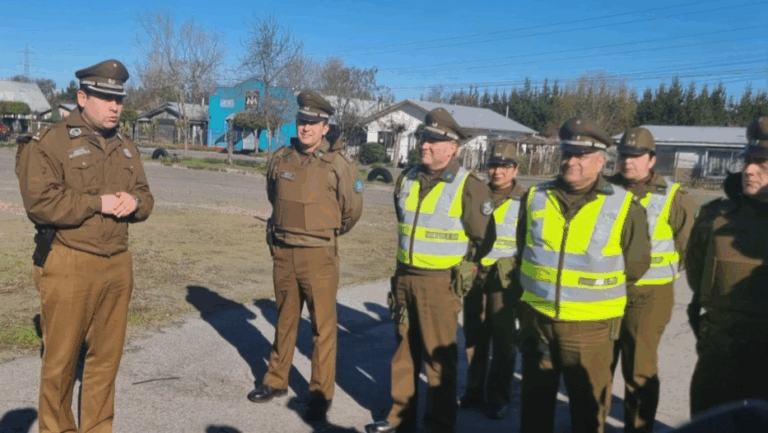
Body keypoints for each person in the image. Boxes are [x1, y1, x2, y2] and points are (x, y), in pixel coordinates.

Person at [15, 59, 154, 433]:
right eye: (105, 98)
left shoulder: (125, 147)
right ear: (82, 97)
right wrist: (100, 202)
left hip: (117, 264)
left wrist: (137, 204)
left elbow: (145, 195)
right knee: (60, 366)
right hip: (69, 260)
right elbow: (41, 203)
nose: (115, 106)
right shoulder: (50, 142)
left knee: (105, 363)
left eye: (118, 99)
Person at [514, 117, 651, 433]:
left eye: (581, 155)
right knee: (534, 408)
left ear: (602, 161)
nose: (571, 161)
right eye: (567, 153)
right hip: (538, 320)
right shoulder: (535, 196)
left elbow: (637, 264)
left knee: (587, 412)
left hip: (590, 329)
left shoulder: (623, 205)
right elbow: (524, 249)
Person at [365, 108, 495, 433]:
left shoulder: (469, 187)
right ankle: (399, 418)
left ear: (453, 148)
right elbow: (404, 224)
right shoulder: (406, 178)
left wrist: (463, 269)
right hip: (405, 277)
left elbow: (486, 238)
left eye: (435, 141)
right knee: (403, 351)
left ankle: (439, 424)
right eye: (424, 138)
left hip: (440, 284)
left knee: (439, 359)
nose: (425, 145)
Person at [247, 90, 364, 422]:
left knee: (323, 327)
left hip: (319, 255)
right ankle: (276, 381)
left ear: (325, 127)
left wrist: (325, 232)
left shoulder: (338, 164)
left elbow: (352, 211)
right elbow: (274, 195)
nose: (306, 127)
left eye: (313, 123)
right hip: (284, 251)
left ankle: (319, 394)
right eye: (302, 121)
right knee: (285, 319)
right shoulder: (281, 158)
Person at [606, 127, 696, 433]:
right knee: (599, 365)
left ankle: (639, 428)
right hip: (604, 292)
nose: (628, 162)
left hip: (649, 296)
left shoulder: (673, 198)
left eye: (636, 156)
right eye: (623, 156)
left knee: (639, 368)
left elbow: (689, 250)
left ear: (652, 159)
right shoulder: (604, 191)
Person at [686, 116, 768, 415]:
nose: (749, 170)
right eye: (748, 160)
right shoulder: (715, 217)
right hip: (720, 357)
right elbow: (697, 277)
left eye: (762, 162)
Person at [459, 140, 524, 420]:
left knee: (503, 339)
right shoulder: (476, 193)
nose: (498, 171)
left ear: (515, 169)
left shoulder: (527, 200)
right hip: (476, 273)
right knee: (475, 335)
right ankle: (474, 391)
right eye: (494, 165)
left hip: (506, 279)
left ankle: (499, 397)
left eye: (505, 166)